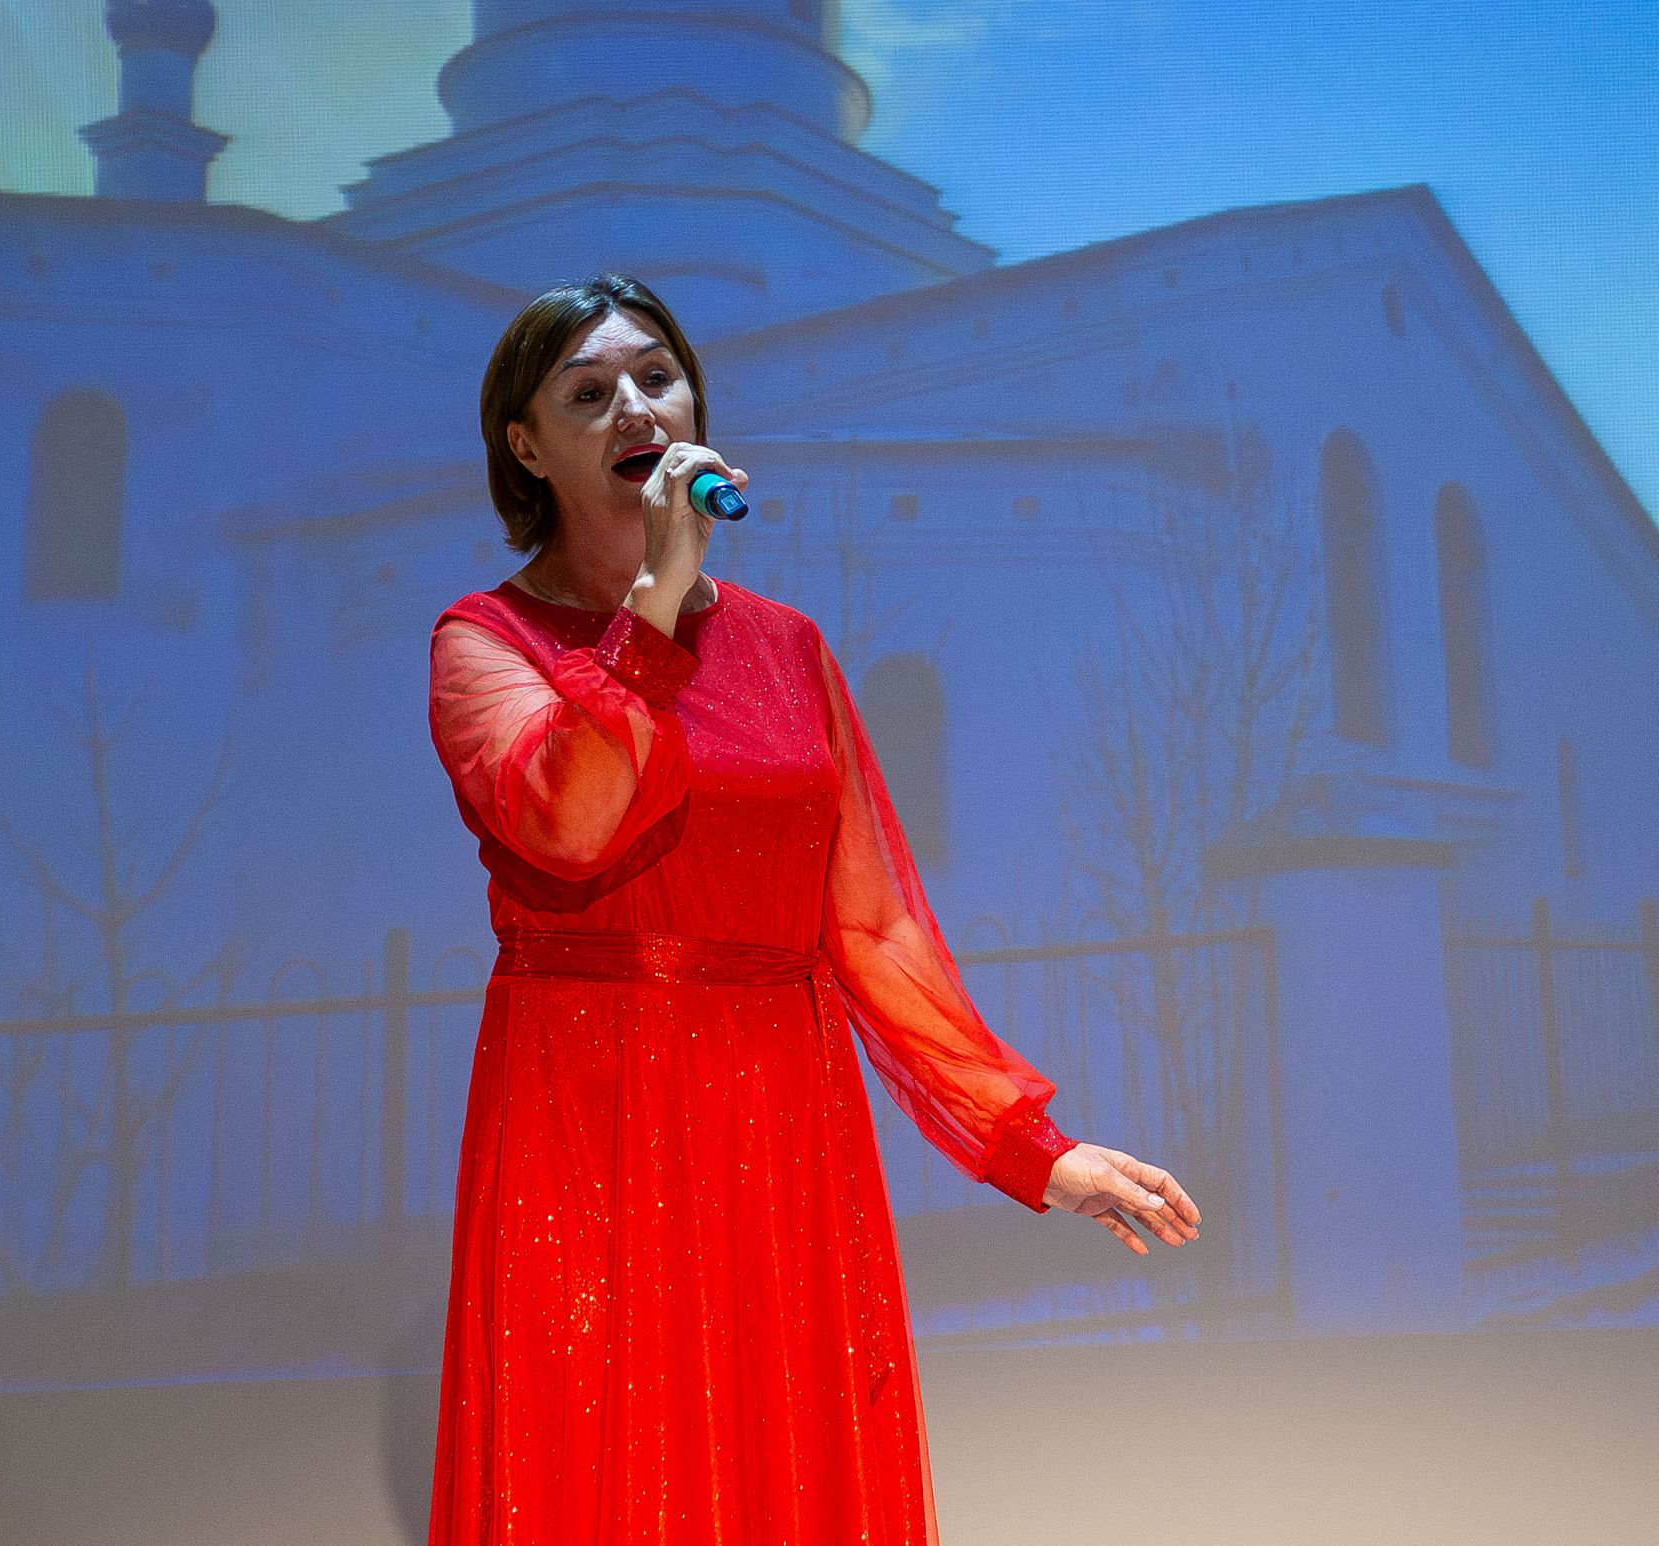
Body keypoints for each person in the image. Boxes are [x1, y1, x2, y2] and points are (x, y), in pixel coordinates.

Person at [424, 272, 1202, 1543]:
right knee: (602, 1465)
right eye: (590, 392)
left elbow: (874, 927)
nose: (637, 408)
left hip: (779, 1126)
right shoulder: (487, 640)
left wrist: (1025, 1145)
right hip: (587, 1117)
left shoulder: (788, 648)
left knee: (782, 1467)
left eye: (658, 378)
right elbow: (569, 817)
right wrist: (654, 604)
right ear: (526, 445)